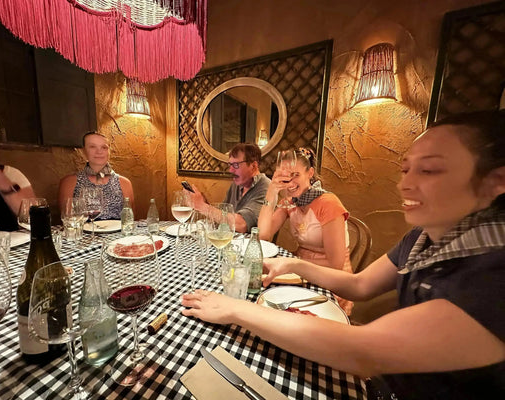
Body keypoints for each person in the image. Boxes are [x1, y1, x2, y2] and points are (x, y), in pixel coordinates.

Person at [182, 110, 505, 399]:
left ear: (497, 181)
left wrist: (235, 309)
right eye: (406, 169)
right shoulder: (421, 238)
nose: (405, 185)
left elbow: (362, 351)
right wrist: (293, 263)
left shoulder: (493, 276)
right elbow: (362, 284)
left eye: (430, 170)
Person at [257, 147, 353, 313]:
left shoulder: (328, 203)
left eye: (295, 175)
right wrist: (271, 192)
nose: (290, 182)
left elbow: (335, 265)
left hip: (331, 280)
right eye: (285, 176)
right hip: (300, 271)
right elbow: (263, 235)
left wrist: (294, 265)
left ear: (310, 173)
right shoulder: (290, 202)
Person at [187, 143, 270, 233]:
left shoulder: (266, 187)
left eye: (236, 165)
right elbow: (222, 215)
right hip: (228, 239)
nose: (231, 170)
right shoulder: (237, 184)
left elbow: (242, 224)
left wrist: (203, 207)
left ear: (253, 166)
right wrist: (204, 203)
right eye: (230, 165)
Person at [58, 131, 134, 220]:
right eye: (92, 147)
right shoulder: (69, 182)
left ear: (109, 151)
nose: (99, 151)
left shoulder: (124, 183)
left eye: (104, 147)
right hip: (84, 229)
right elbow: (67, 219)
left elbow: (130, 220)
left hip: (118, 229)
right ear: (83, 151)